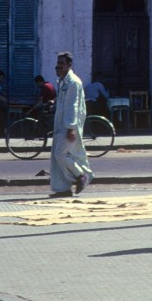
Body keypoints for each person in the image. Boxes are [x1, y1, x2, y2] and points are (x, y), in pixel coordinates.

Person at [49, 52, 92, 197]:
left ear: (69, 65)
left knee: (60, 154)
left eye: (62, 63)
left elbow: (73, 106)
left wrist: (71, 127)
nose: (58, 66)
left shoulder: (73, 82)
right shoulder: (62, 81)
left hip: (69, 124)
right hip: (60, 123)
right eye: (58, 63)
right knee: (58, 155)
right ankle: (63, 188)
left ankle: (81, 175)